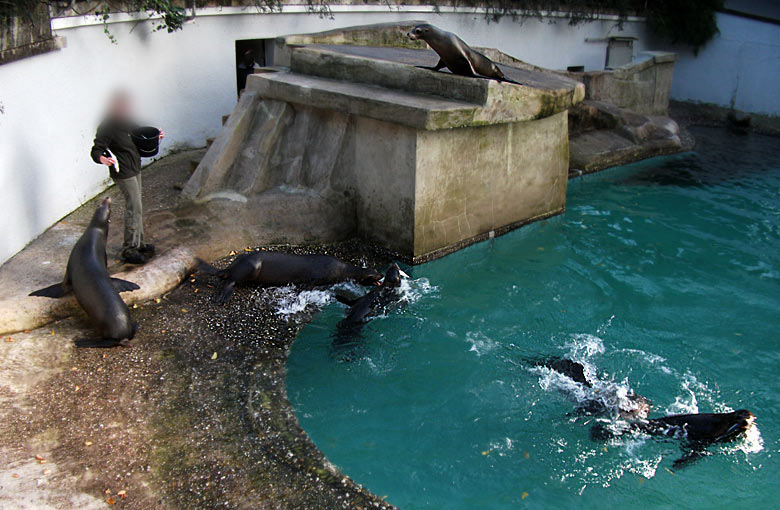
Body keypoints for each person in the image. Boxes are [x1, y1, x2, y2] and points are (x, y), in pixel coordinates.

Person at [90, 92, 164, 264]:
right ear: (113, 107)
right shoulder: (107, 127)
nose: (126, 110)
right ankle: (129, 249)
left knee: (138, 206)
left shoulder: (128, 123)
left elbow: (142, 137)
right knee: (133, 207)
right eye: (122, 107)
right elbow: (96, 149)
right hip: (123, 172)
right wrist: (102, 158)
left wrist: (156, 138)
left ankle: (139, 243)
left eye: (127, 107)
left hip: (134, 168)